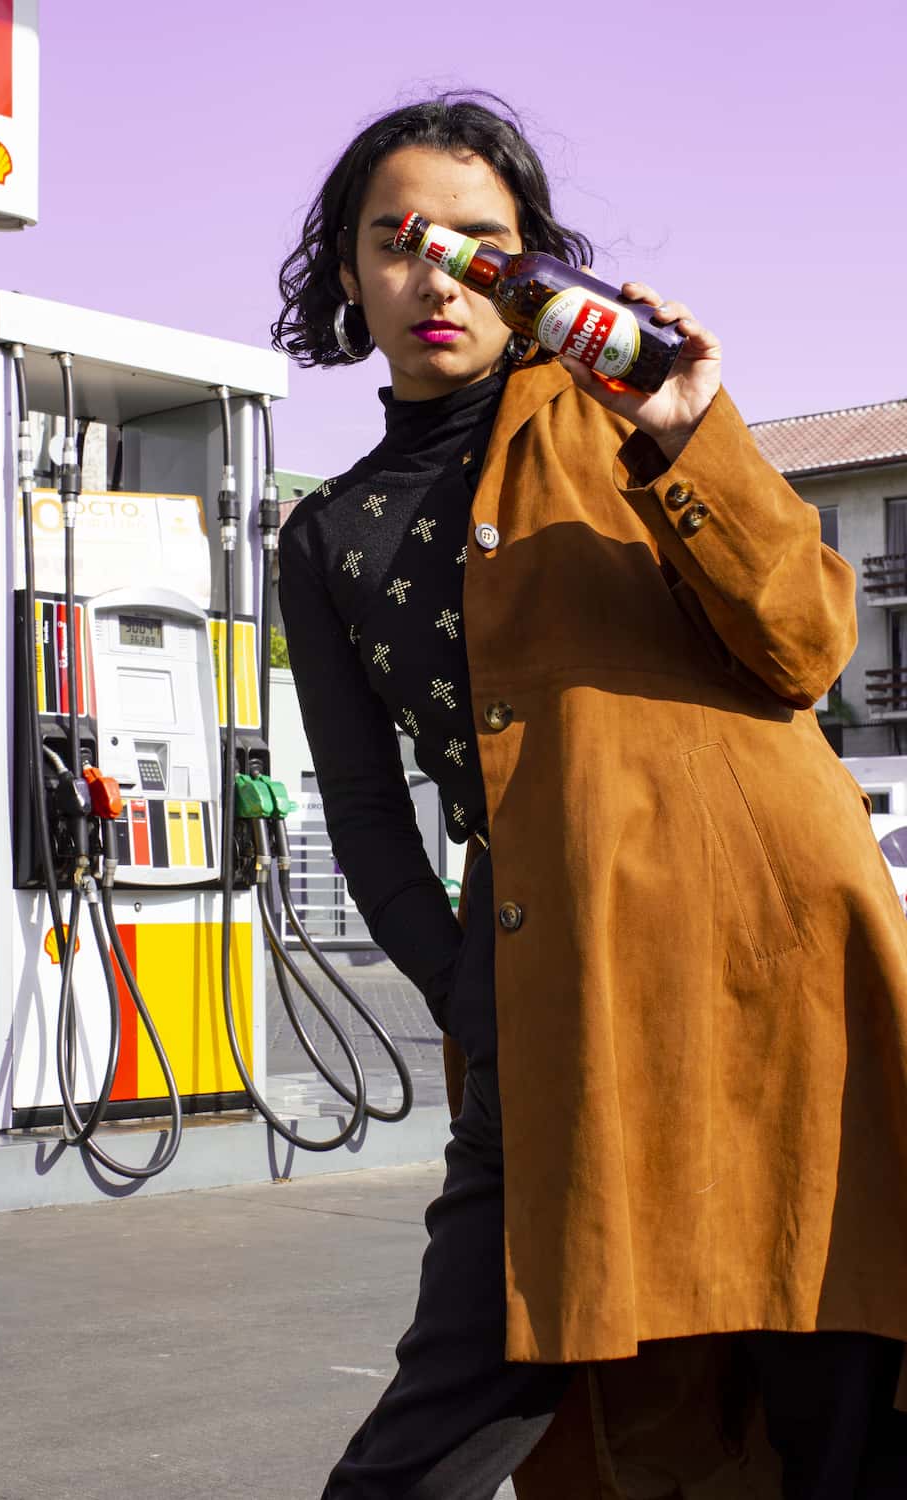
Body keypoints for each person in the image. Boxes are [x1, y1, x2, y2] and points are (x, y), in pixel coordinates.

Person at [272, 92, 907, 1500]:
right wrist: (463, 993)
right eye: (396, 241)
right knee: (453, 1405)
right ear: (347, 275)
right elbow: (369, 814)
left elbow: (807, 643)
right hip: (546, 988)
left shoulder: (626, 415)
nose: (435, 276)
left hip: (776, 963)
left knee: (828, 1392)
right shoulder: (327, 533)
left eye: (474, 242)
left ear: (531, 264)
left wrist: (691, 431)